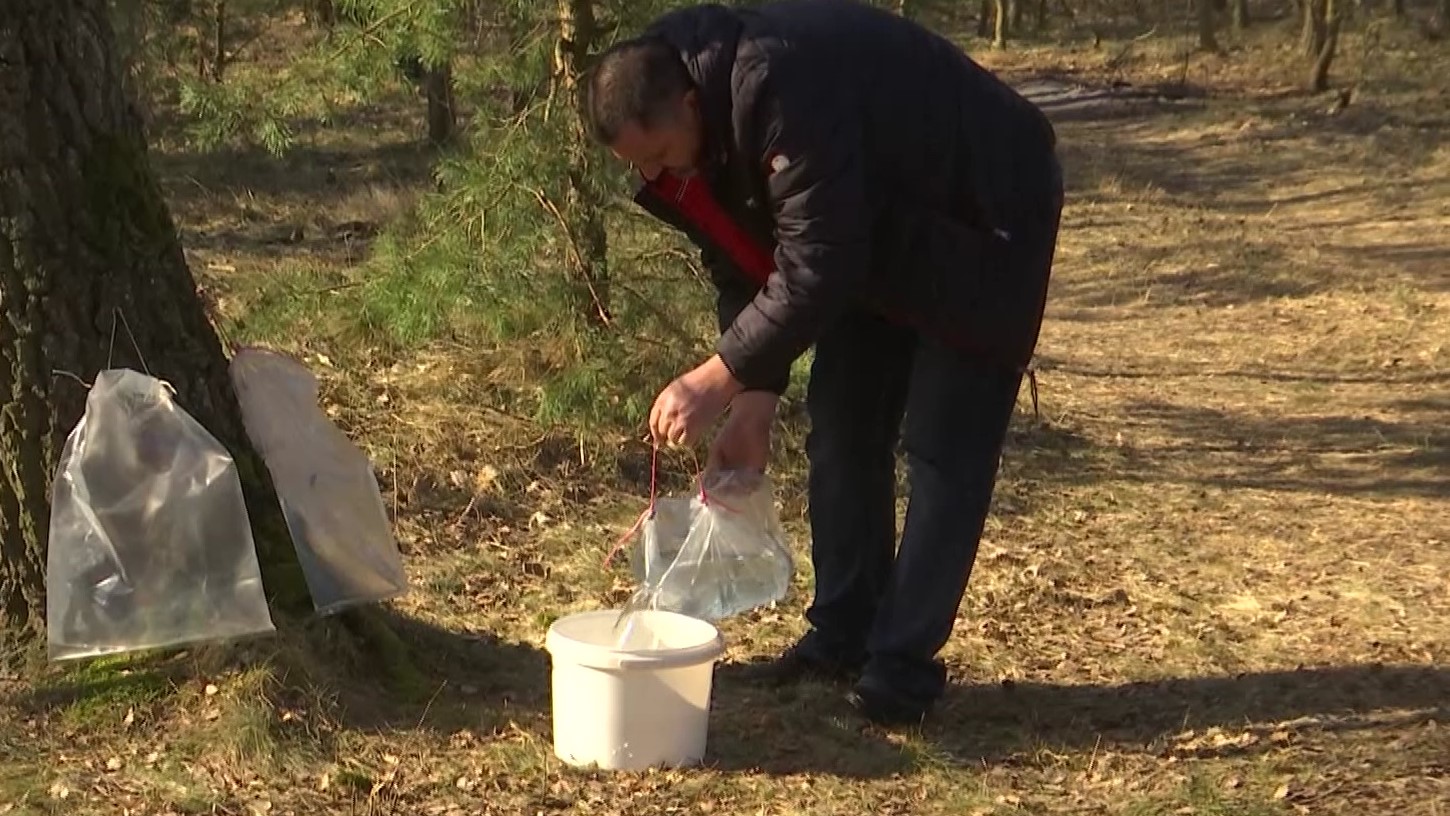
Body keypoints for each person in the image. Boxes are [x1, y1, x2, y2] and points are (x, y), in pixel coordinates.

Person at [584, 0, 1064, 726]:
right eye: (637, 164)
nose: (652, 173)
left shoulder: (776, 85)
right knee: (841, 428)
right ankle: (843, 633)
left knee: (942, 451)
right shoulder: (693, 130)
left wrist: (717, 377)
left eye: (655, 153)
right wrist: (752, 399)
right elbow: (740, 263)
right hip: (873, 236)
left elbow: (817, 262)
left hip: (984, 216)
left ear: (688, 103)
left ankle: (900, 671)